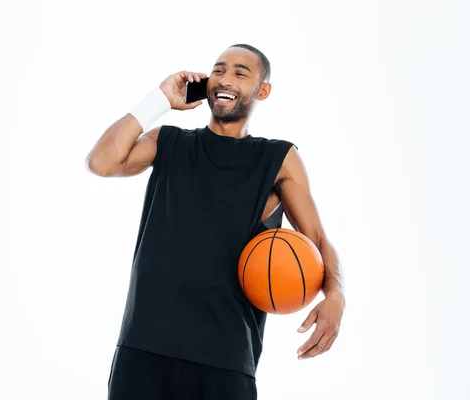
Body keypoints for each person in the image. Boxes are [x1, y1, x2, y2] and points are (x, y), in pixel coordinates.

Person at [86, 44, 345, 400]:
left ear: (262, 90)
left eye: (241, 73)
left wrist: (336, 294)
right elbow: (101, 163)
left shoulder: (277, 158)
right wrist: (159, 100)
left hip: (225, 358)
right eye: (219, 70)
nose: (225, 79)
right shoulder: (169, 141)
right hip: (144, 349)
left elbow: (315, 238)